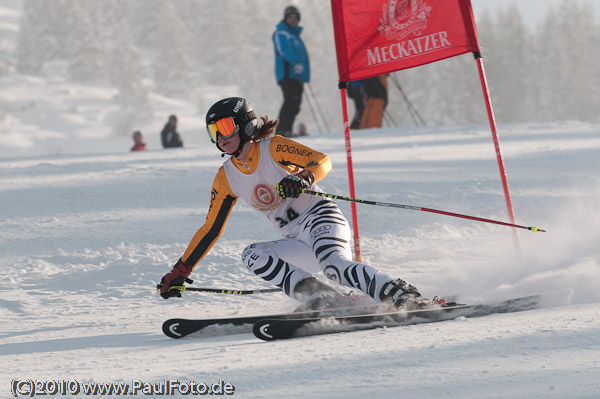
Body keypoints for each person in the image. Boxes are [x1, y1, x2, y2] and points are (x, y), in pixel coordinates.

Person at [157, 97, 421, 310]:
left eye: (225, 127)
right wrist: (181, 270)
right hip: (295, 238)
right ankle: (324, 298)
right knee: (252, 255)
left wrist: (303, 178)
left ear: (244, 125)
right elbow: (211, 229)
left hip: (322, 220)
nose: (220, 137)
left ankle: (400, 293)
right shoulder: (226, 177)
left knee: (334, 267)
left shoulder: (272, 148)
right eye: (213, 131)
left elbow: (322, 161)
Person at [272, 5, 310, 138]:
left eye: (295, 17)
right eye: (290, 17)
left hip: (296, 75)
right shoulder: (281, 33)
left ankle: (287, 130)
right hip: (287, 73)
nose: (293, 20)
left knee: (296, 103)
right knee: (290, 101)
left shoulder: (294, 35)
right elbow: (284, 50)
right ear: (285, 18)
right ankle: (281, 131)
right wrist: (296, 62)